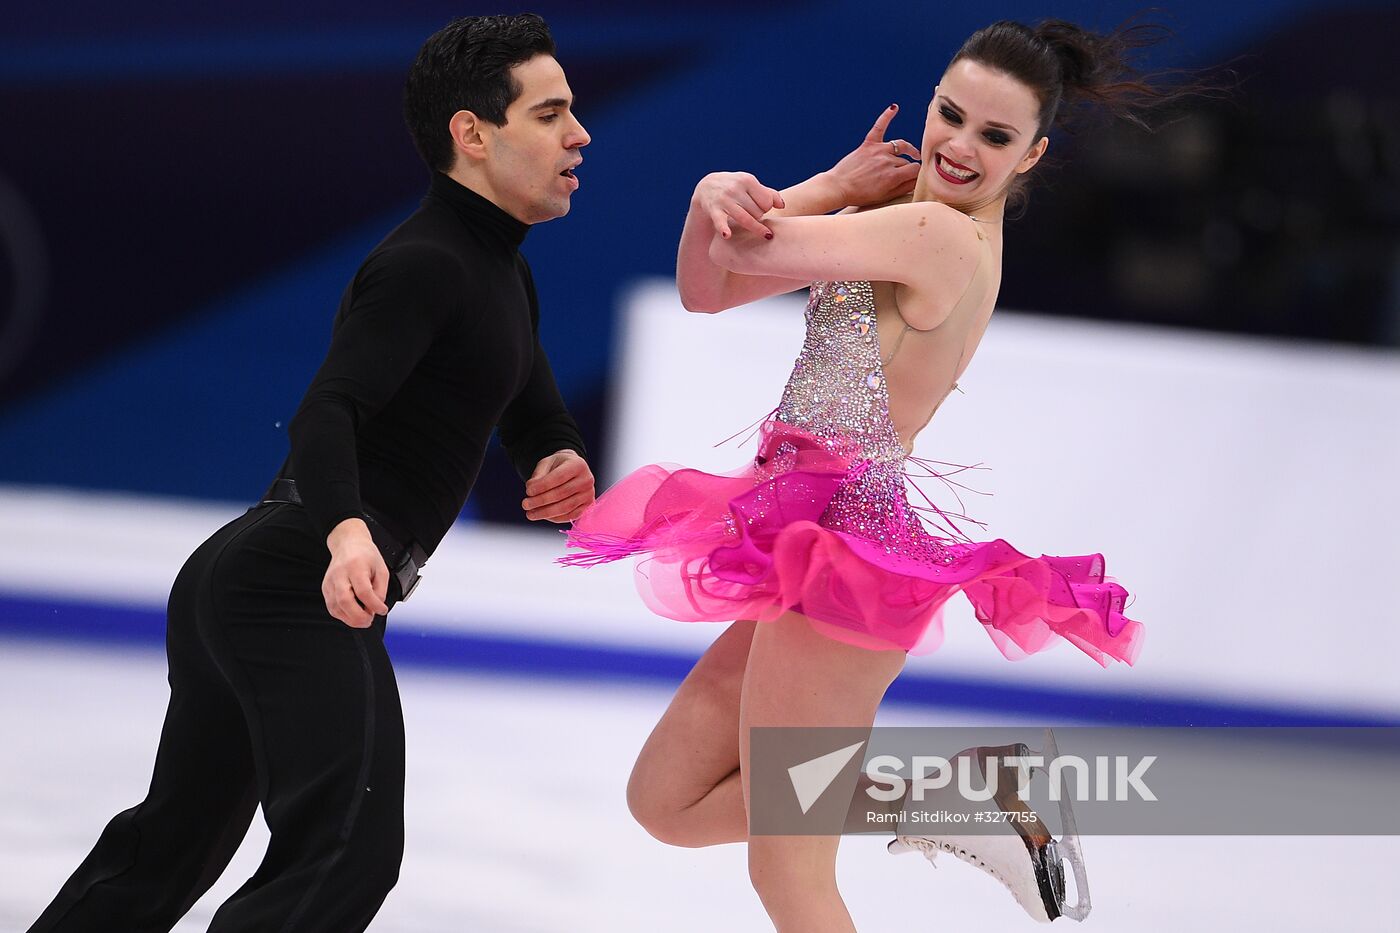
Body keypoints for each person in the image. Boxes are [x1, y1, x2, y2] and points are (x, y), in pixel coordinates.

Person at [563, 18, 1174, 929]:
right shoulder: (906, 223)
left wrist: (800, 188)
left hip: (844, 563)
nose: (960, 146)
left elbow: (735, 247)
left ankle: (981, 801)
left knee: (789, 877)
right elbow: (706, 290)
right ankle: (971, 801)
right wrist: (798, 203)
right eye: (951, 114)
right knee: (668, 801)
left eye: (994, 136)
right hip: (808, 541)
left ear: (1033, 154)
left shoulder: (936, 234)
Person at [28, 14, 594, 933]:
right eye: (551, 112)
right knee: (348, 849)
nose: (580, 133)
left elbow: (531, 406)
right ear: (472, 133)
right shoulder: (422, 264)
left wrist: (554, 455)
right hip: (298, 576)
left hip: (263, 575)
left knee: (167, 849)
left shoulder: (499, 272)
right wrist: (345, 533)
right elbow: (331, 407)